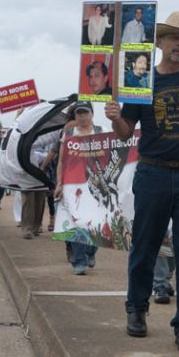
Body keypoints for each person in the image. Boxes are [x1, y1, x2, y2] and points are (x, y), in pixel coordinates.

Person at [104, 10, 179, 353]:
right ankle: (136, 309)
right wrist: (116, 119)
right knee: (145, 246)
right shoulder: (140, 81)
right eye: (174, 37)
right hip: (154, 171)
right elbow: (127, 131)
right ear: (158, 42)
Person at [53, 101, 103, 275]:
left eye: (85, 112)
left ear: (92, 114)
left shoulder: (101, 132)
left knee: (94, 222)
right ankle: (79, 261)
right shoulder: (68, 133)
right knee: (77, 222)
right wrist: (60, 183)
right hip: (73, 185)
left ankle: (90, 251)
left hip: (95, 185)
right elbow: (61, 161)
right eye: (79, 113)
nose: (82, 116)